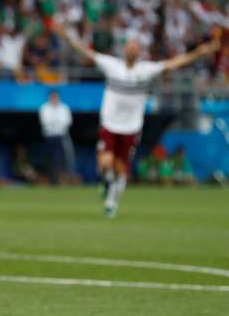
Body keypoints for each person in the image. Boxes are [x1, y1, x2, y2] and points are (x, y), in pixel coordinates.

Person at [54, 22, 218, 217]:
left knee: (120, 168)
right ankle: (107, 182)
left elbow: (174, 63)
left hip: (131, 127)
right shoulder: (111, 65)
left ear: (139, 52)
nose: (132, 49)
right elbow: (85, 53)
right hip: (110, 123)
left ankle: (111, 203)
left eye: (135, 47)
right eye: (129, 46)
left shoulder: (146, 70)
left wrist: (199, 52)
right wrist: (66, 36)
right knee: (105, 164)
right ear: (124, 50)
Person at [38, 90, 73, 184]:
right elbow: (45, 122)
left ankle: (60, 179)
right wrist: (57, 123)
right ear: (49, 97)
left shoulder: (64, 108)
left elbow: (67, 122)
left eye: (55, 96)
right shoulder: (44, 108)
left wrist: (55, 124)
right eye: (52, 97)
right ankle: (51, 179)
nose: (54, 98)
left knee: (60, 158)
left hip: (60, 137)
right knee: (49, 159)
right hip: (48, 136)